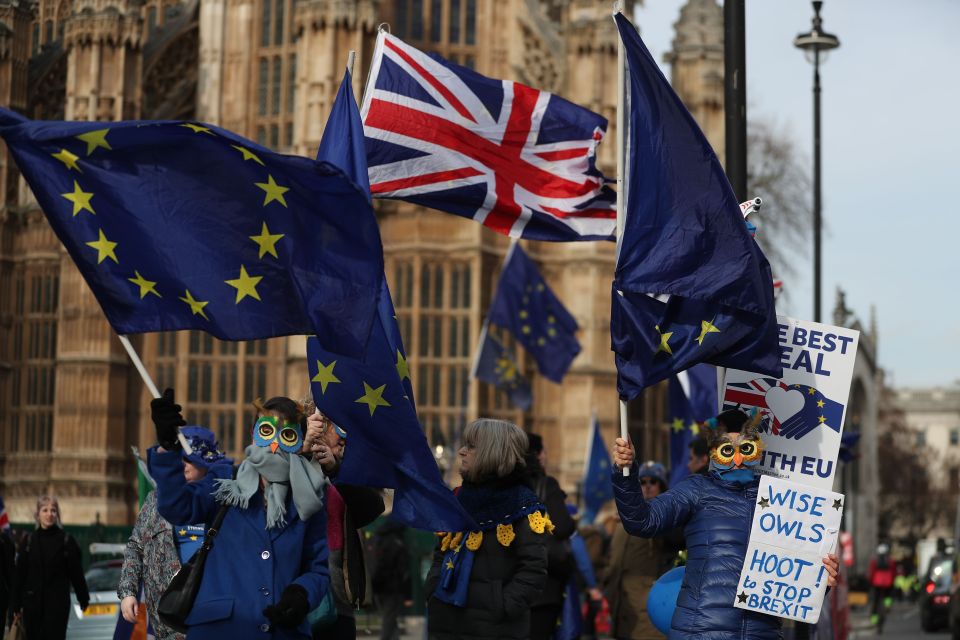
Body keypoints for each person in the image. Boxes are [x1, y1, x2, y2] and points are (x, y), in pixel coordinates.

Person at [611, 409, 840, 640]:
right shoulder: (697, 489)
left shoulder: (779, 496)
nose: (737, 459)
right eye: (727, 450)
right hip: (701, 631)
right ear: (713, 451)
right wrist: (625, 472)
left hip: (761, 634)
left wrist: (820, 578)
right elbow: (641, 521)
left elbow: (794, 578)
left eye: (746, 449)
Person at [148, 389, 330, 639]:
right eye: (267, 431)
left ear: (298, 441)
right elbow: (178, 507)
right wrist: (168, 446)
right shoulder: (225, 479)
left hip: (282, 631)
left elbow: (318, 569)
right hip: (221, 629)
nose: (275, 444)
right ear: (253, 436)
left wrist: (302, 593)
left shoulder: (309, 498)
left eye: (287, 435)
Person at [424, 418, 550, 640]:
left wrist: (502, 606)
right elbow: (441, 553)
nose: (461, 451)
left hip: (494, 628)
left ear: (493, 452)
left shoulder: (523, 505)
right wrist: (433, 588)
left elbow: (533, 569)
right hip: (446, 621)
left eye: (470, 446)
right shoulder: (458, 498)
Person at [117, 426, 232, 640]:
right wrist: (128, 592)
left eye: (188, 460)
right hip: (165, 620)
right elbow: (135, 547)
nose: (182, 466)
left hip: (210, 620)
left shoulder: (224, 503)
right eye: (178, 459)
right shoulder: (154, 501)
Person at [302, 404, 385, 640]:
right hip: (291, 594)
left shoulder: (345, 469)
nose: (346, 439)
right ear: (321, 425)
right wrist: (304, 454)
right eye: (342, 429)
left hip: (336, 602)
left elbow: (372, 507)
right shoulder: (289, 457)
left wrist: (334, 471)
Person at [605, 461, 683, 640]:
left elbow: (677, 539)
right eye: (643, 482)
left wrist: (662, 517)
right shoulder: (623, 517)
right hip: (620, 605)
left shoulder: (667, 516)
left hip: (649, 606)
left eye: (653, 482)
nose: (647, 487)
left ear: (662, 486)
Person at [10, 496, 90, 640]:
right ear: (38, 514)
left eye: (53, 510)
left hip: (57, 607)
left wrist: (83, 597)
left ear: (57, 515)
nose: (49, 514)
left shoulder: (66, 541)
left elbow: (76, 574)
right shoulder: (29, 541)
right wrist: (16, 605)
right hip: (32, 607)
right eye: (45, 510)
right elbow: (20, 576)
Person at [525, 433, 576, 640]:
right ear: (537, 455)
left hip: (509, 587)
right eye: (544, 451)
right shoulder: (546, 485)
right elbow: (563, 527)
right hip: (544, 586)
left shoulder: (503, 486)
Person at [370, 520, 411, 640]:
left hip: (377, 585)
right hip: (392, 588)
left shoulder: (376, 538)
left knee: (390, 618)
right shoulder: (396, 542)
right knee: (389, 619)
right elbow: (403, 569)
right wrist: (407, 593)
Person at [868, 543, 896, 626]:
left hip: (876, 583)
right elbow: (894, 573)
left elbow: (872, 573)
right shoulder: (891, 562)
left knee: (875, 602)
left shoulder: (874, 562)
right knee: (889, 594)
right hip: (888, 583)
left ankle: (874, 620)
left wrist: (870, 582)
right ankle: (887, 605)